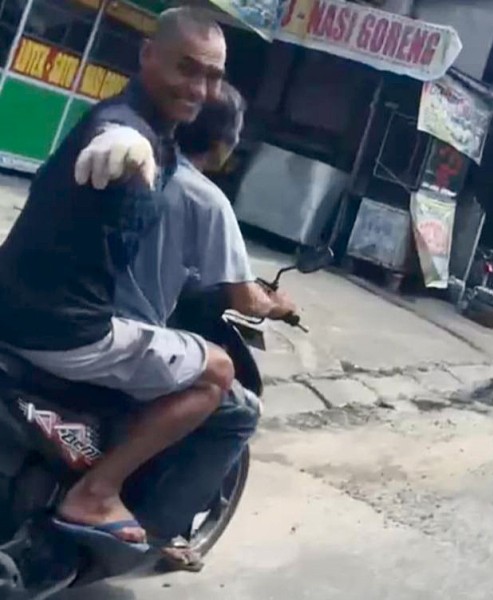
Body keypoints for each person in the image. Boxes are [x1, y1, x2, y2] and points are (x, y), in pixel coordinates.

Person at [0, 8, 237, 547]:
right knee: (217, 370)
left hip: (15, 304)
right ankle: (97, 492)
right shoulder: (128, 127)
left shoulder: (159, 137)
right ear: (147, 57)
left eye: (213, 76)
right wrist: (124, 148)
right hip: (64, 330)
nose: (199, 88)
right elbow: (116, 138)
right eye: (186, 69)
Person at [113, 81, 295, 570]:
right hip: (120, 335)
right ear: (225, 144)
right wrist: (277, 305)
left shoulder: (130, 161)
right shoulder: (205, 199)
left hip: (57, 308)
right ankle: (149, 530)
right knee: (239, 409)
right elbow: (244, 297)